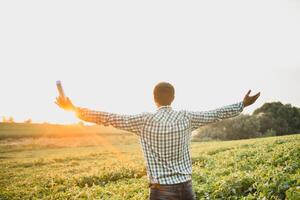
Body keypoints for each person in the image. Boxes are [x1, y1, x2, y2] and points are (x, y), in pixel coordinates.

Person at [55, 82, 260, 200]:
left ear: (154, 99)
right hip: (186, 187)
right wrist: (242, 104)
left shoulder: (144, 121)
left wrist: (74, 110)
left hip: (161, 190)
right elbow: (215, 114)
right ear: (173, 97)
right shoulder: (186, 118)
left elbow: (108, 117)